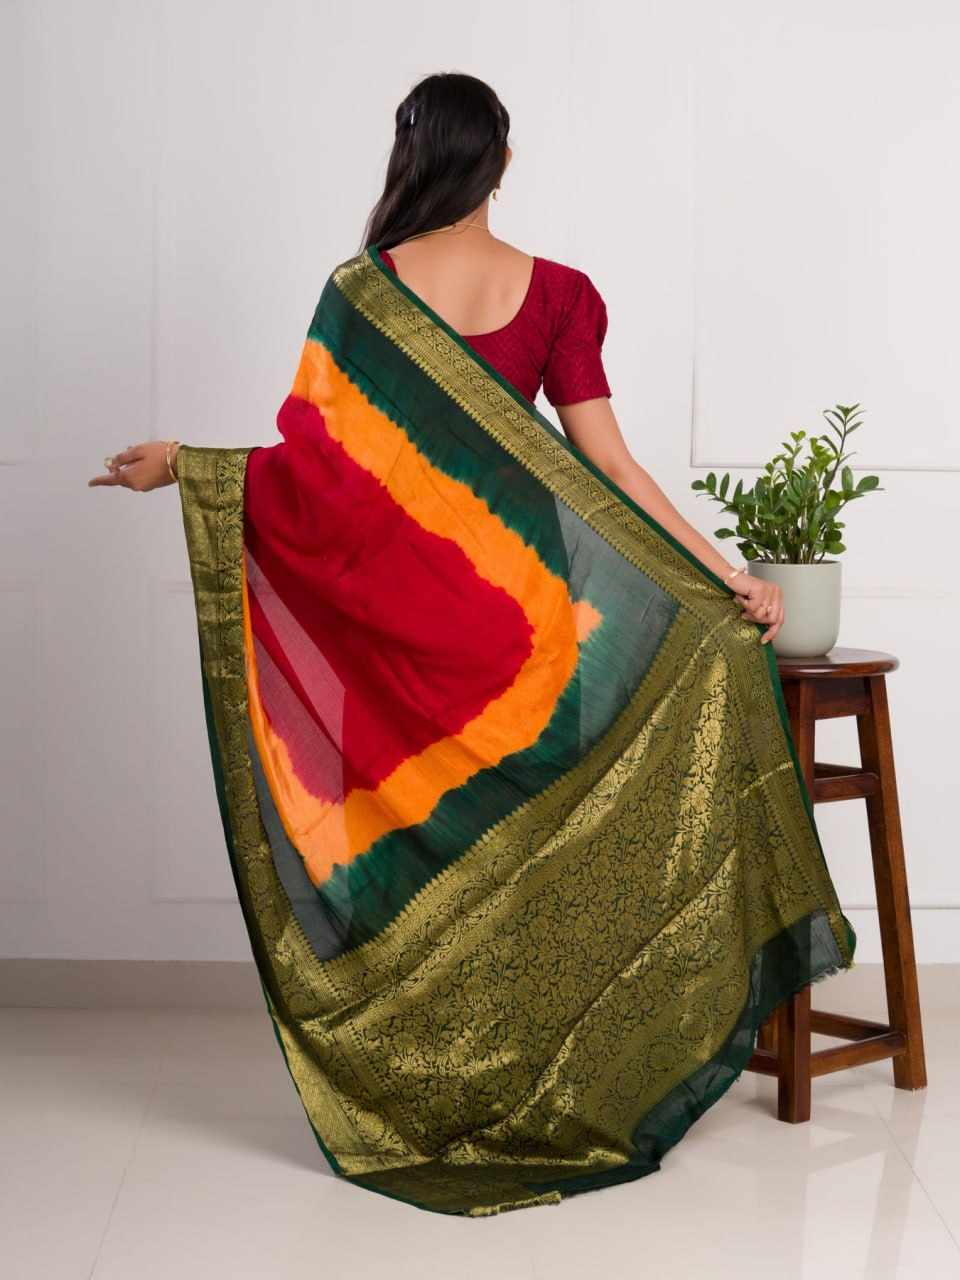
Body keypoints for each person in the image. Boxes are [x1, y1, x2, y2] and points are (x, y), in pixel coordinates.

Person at [88, 72, 854, 1218]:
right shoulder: (561, 293)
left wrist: (189, 467)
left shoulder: (362, 292)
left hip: (408, 647)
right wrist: (722, 577)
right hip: (541, 638)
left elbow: (319, 480)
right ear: (501, 160)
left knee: (436, 858)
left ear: (411, 160)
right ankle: (552, 1077)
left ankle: (435, 1084)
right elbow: (611, 466)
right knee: (547, 854)